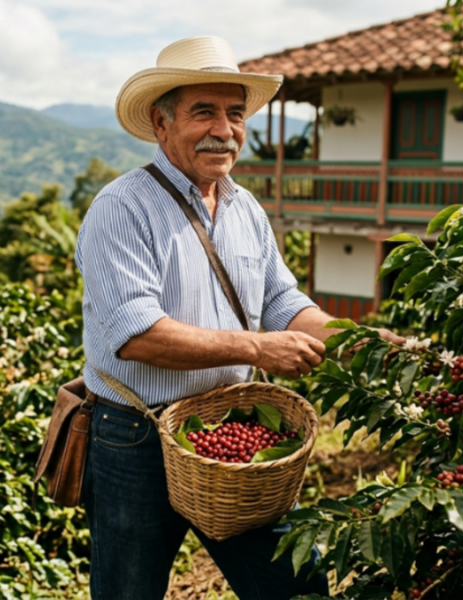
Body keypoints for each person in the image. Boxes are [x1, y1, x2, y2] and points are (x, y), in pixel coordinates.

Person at [75, 36, 404, 600]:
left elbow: (283, 303)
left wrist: (366, 341)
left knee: (294, 584)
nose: (223, 129)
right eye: (203, 111)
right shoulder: (121, 208)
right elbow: (136, 336)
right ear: (161, 122)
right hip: (136, 437)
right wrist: (256, 349)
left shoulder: (244, 207)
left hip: (235, 434)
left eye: (234, 114)